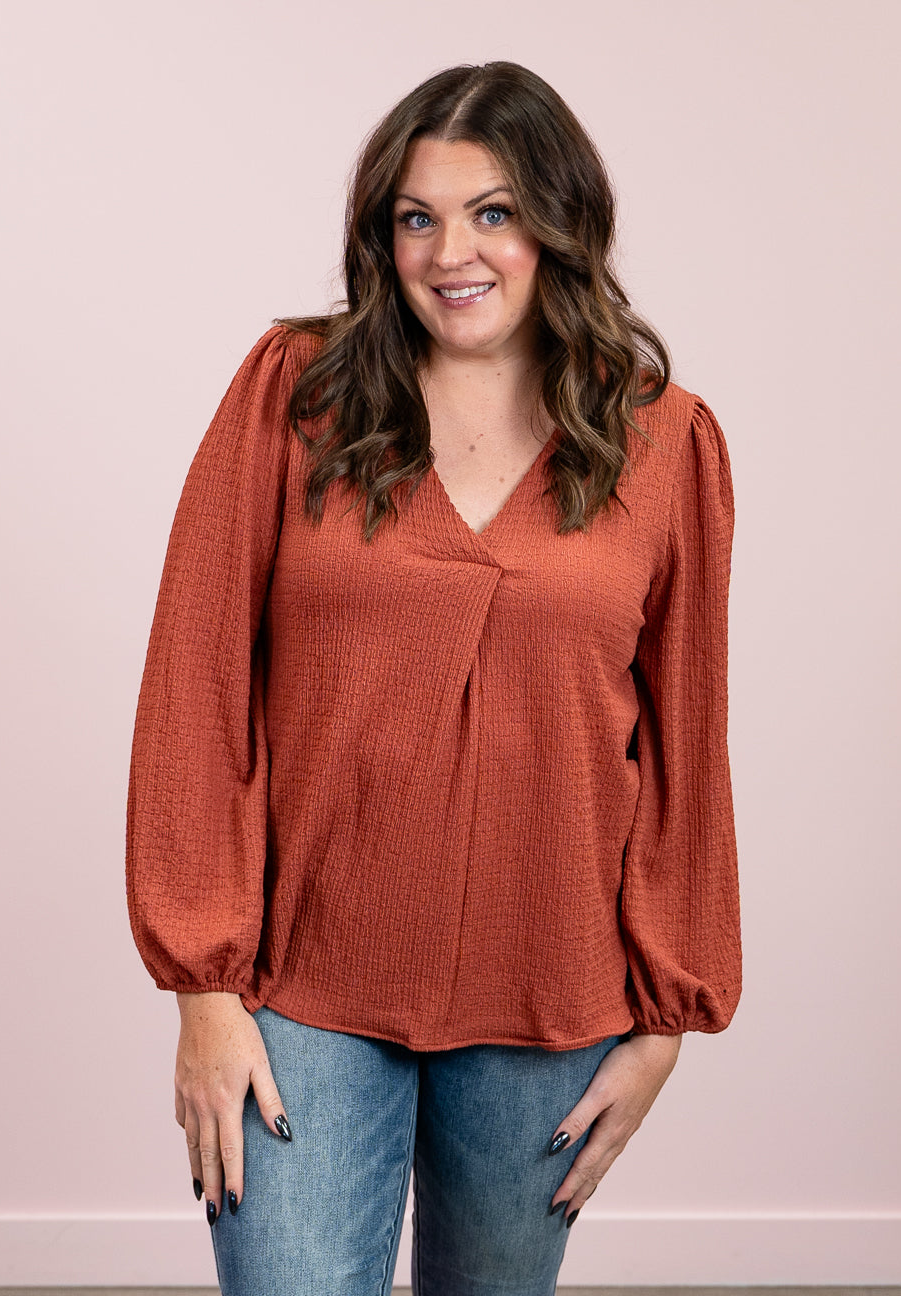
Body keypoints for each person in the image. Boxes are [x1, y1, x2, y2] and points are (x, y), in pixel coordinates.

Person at [126, 60, 741, 1296]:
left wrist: (669, 1016)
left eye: (493, 212)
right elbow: (195, 683)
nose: (452, 253)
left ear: (560, 225)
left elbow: (686, 740)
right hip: (299, 990)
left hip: (549, 997)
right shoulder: (293, 394)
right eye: (418, 217)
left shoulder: (665, 442)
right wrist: (203, 990)